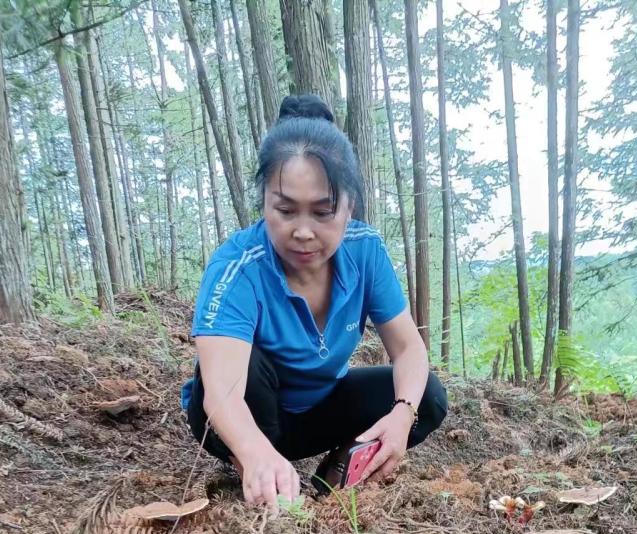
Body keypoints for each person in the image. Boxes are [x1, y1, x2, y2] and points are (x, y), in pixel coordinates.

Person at [182, 93, 447, 509]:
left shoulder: (365, 251)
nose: (303, 232)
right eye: (286, 210)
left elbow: (408, 348)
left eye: (323, 212)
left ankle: (336, 478)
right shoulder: (238, 266)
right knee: (244, 369)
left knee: (426, 395)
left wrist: (403, 414)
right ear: (266, 202)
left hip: (321, 407)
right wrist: (253, 451)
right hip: (245, 418)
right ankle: (257, 470)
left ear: (349, 206)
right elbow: (221, 394)